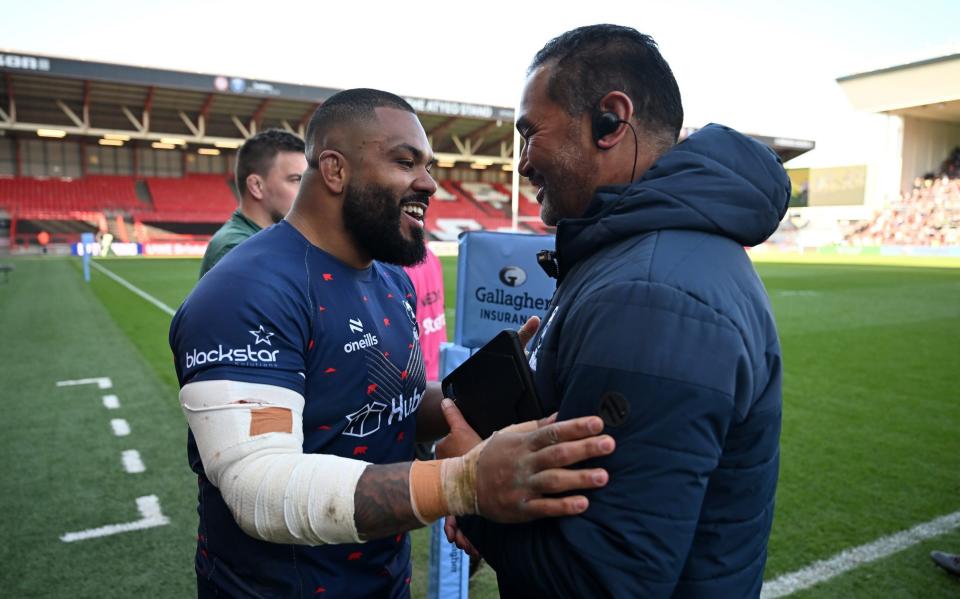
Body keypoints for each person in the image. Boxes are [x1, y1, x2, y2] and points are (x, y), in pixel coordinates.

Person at [169, 88, 615, 598]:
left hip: (384, 582)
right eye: (405, 162)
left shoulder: (390, 277)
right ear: (334, 171)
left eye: (427, 165)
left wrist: (487, 389)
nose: (428, 183)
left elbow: (387, 407)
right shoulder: (247, 291)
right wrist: (463, 482)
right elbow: (260, 489)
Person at [441, 25, 791, 597]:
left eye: (530, 134)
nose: (523, 162)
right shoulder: (634, 256)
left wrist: (473, 491)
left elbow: (603, 582)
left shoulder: (652, 295)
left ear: (611, 120)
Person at [198, 128, 306, 277]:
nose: (307, 191)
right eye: (296, 180)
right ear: (256, 186)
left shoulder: (266, 240)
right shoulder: (237, 248)